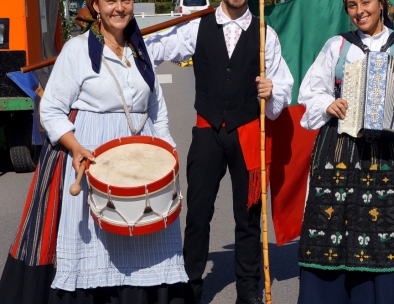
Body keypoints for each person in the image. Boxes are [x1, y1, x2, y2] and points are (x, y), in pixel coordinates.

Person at [0, 0, 188, 302]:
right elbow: (51, 110)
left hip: (141, 162)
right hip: (94, 159)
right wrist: (75, 148)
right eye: (110, 1)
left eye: (125, 0)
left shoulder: (141, 51)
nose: (119, 8)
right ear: (96, 6)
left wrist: (167, 158)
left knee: (145, 241)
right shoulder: (77, 50)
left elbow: (158, 111)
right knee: (99, 247)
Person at [296, 0, 394, 303]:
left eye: (365, 2)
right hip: (342, 154)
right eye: (351, 5)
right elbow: (310, 92)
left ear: (382, 5)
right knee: (335, 232)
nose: (359, 11)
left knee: (391, 239)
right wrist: (328, 104)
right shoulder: (337, 46)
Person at [146, 1, 293, 303]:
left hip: (249, 132)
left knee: (249, 217)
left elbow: (283, 89)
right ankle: (190, 284)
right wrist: (120, 41)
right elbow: (155, 49)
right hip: (206, 131)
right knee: (198, 213)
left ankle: (247, 289)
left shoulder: (267, 35)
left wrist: (272, 89)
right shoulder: (196, 27)